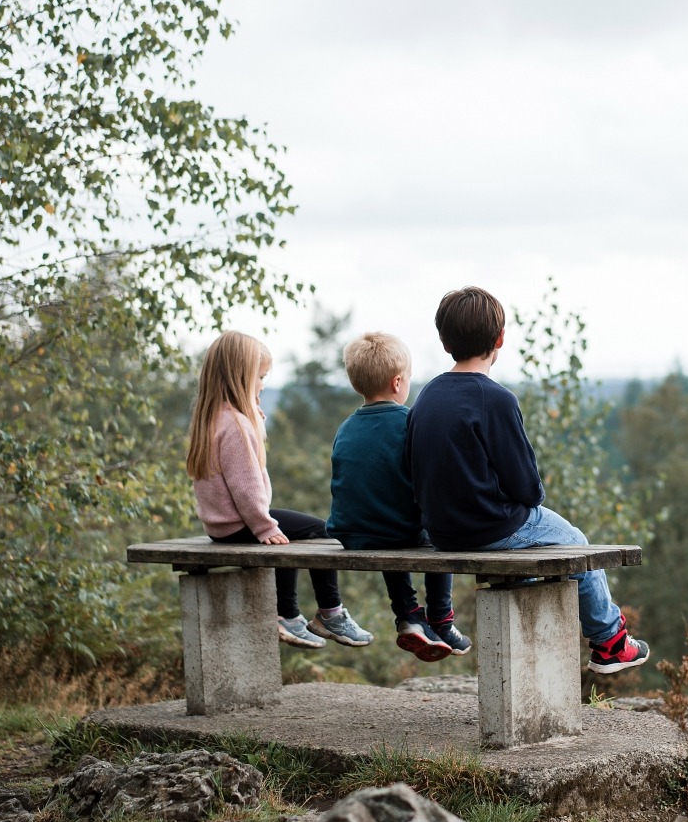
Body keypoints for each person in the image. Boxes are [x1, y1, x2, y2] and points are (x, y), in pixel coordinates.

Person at [405, 287, 649, 674]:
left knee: (549, 550)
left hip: (441, 531)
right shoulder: (497, 400)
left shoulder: (425, 396)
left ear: (443, 339)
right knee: (575, 542)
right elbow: (528, 488)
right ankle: (610, 642)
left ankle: (601, 637)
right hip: (491, 527)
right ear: (500, 339)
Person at [185, 331, 372, 650]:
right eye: (259, 378)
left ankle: (291, 614)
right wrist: (263, 525)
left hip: (222, 527)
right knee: (323, 531)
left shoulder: (214, 418)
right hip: (242, 522)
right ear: (240, 377)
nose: (262, 385)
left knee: (290, 532)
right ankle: (327, 612)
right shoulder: (236, 426)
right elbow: (245, 486)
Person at [327, 332, 470, 662]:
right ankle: (441, 620)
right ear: (397, 382)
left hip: (352, 532)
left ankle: (408, 614)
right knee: (439, 530)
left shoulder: (345, 427)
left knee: (383, 523)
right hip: (396, 531)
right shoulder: (411, 422)